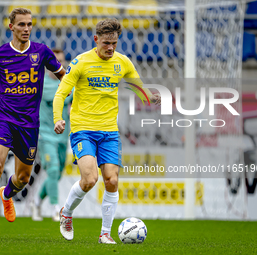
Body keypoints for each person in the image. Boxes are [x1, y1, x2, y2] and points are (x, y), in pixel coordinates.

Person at [0, 8, 65, 238]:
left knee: (23, 178)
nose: (26, 29)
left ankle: (6, 194)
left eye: (29, 25)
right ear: (11, 27)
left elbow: (64, 76)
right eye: (22, 25)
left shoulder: (42, 52)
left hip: (29, 125)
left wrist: (72, 95)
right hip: (4, 118)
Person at [53, 18, 161, 244]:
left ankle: (105, 234)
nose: (111, 47)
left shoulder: (122, 62)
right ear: (96, 40)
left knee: (111, 180)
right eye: (106, 43)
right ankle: (67, 213)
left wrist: (149, 96)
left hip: (110, 132)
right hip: (83, 129)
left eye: (114, 43)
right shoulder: (81, 62)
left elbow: (137, 86)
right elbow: (61, 94)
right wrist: (58, 119)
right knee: (90, 179)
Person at [32, 49, 72, 222]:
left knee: (57, 174)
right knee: (53, 170)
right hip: (46, 135)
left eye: (60, 61)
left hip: (63, 137)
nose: (57, 65)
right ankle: (57, 209)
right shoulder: (40, 84)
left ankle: (36, 202)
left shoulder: (68, 83)